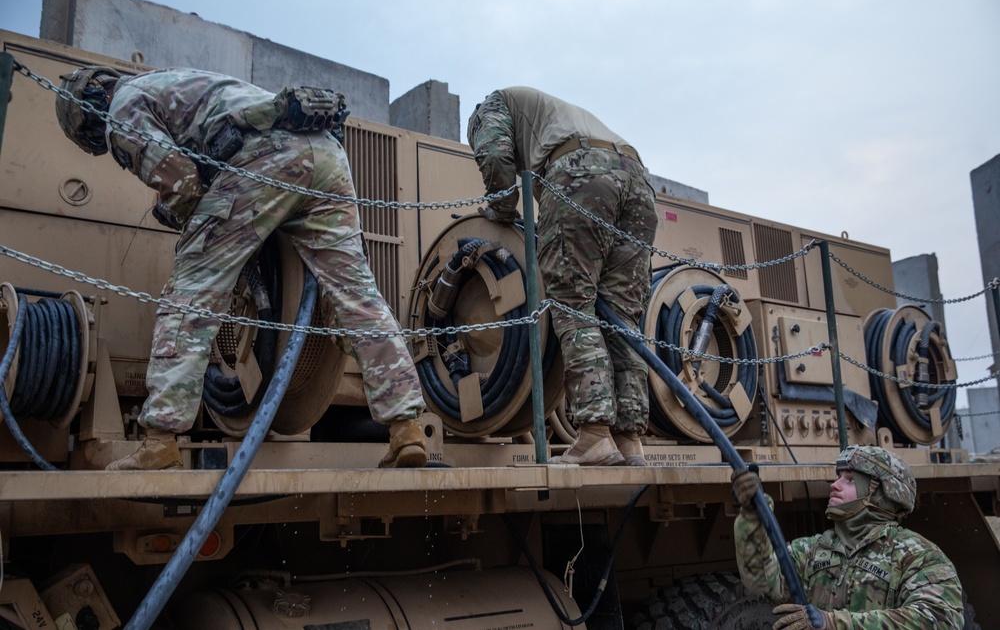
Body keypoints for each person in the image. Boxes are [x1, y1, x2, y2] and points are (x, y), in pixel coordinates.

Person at [55, 66, 428, 470]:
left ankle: (160, 441)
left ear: (87, 117)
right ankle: (405, 429)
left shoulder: (123, 108)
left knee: (191, 291)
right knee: (358, 297)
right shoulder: (172, 78)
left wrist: (182, 215)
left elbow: (180, 182)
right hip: (328, 156)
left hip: (266, 159)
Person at [466, 87, 657, 466]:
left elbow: (492, 153)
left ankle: (594, 437)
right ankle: (629, 440)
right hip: (638, 181)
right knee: (621, 319)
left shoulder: (492, 105)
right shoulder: (549, 111)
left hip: (581, 173)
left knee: (574, 305)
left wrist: (503, 209)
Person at [731, 445, 966, 629]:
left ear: (881, 494)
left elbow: (939, 619)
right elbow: (763, 582)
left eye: (851, 480)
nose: (835, 485)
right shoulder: (813, 548)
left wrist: (835, 624)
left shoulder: (919, 556)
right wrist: (753, 517)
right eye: (838, 477)